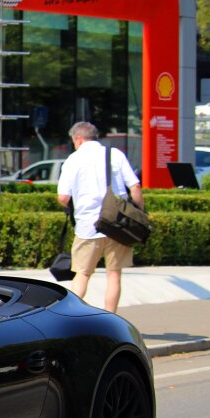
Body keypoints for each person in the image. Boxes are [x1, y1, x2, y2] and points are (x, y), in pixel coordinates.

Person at [56, 121, 143, 313]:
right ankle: (111, 318)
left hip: (88, 225)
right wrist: (140, 211)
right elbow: (135, 187)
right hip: (117, 224)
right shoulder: (115, 155)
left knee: (82, 274)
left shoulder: (73, 159)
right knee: (114, 275)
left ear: (78, 139)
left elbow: (63, 197)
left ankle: (71, 316)